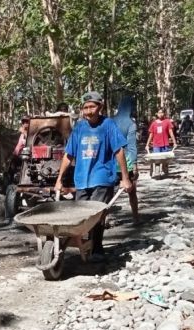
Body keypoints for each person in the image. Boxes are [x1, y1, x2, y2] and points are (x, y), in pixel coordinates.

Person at [54, 91, 131, 261]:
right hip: (82, 179)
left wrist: (125, 178)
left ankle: (97, 248)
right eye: (85, 108)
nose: (89, 111)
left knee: (97, 214)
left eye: (92, 107)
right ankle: (85, 246)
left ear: (100, 107)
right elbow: (69, 155)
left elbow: (119, 150)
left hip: (102, 176)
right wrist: (59, 179)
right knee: (82, 217)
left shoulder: (108, 125)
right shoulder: (80, 127)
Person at [112, 95, 140, 223]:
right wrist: (134, 165)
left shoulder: (110, 122)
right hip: (126, 163)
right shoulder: (131, 124)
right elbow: (132, 146)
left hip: (111, 163)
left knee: (108, 194)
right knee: (132, 192)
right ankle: (135, 217)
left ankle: (103, 219)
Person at [146, 108, 176, 176]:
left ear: (164, 113)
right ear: (157, 114)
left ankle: (165, 169)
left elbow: (171, 132)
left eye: (162, 112)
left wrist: (174, 142)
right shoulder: (154, 123)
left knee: (165, 159)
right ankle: (156, 170)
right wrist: (147, 144)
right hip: (156, 145)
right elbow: (151, 134)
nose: (160, 114)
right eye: (159, 112)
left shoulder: (167, 122)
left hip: (165, 143)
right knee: (157, 160)